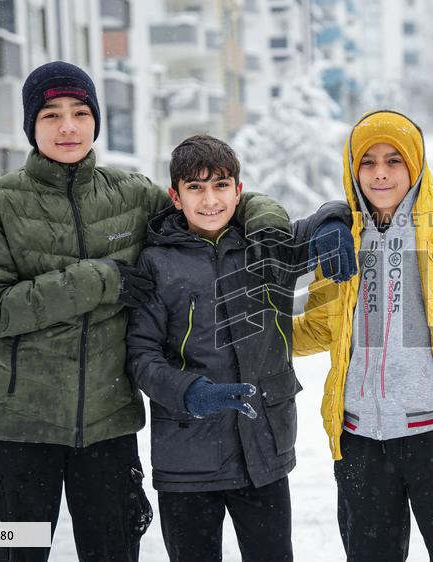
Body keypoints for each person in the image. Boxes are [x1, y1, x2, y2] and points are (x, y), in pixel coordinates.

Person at [0, 61, 290, 562]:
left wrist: (264, 215)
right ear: (31, 125)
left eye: (79, 112)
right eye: (51, 115)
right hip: (18, 429)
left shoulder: (132, 195)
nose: (67, 126)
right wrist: (99, 279)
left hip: (109, 428)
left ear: (96, 119)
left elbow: (208, 200)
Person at [125, 134, 356, 562]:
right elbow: (141, 356)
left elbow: (335, 209)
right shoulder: (157, 263)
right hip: (187, 459)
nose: (209, 199)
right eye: (195, 187)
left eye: (220, 185)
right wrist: (189, 391)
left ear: (238, 191)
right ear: (176, 197)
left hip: (262, 451)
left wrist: (333, 225)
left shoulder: (267, 245)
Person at [293, 110, 433, 561]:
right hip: (360, 440)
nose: (380, 173)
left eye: (394, 160)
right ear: (352, 168)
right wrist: (262, 335)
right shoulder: (342, 240)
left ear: (417, 165)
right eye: (368, 162)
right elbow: (322, 326)